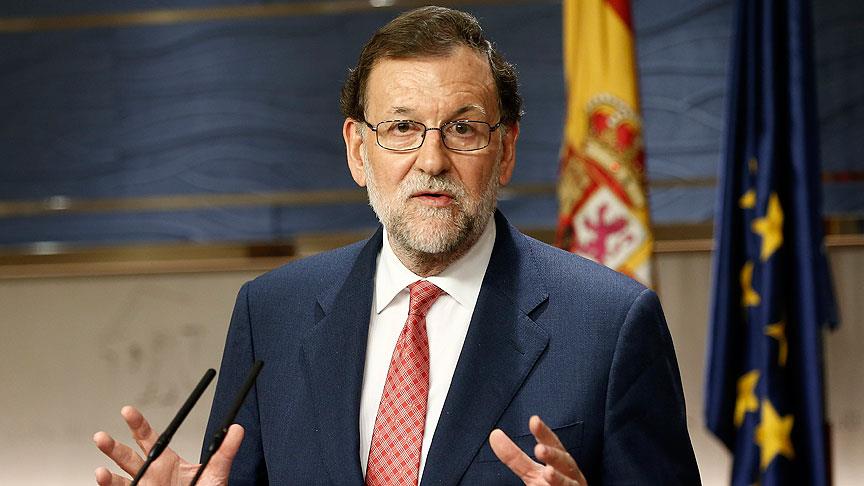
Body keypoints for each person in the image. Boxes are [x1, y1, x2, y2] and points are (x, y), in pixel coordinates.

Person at [94, 6, 700, 485]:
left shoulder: (610, 325)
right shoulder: (270, 313)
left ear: (506, 150)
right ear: (358, 150)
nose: (431, 159)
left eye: (463, 128)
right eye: (403, 128)